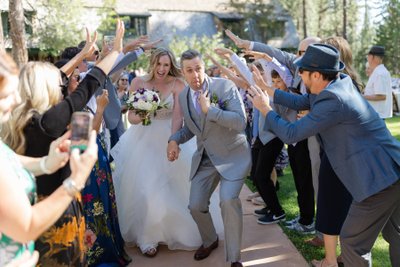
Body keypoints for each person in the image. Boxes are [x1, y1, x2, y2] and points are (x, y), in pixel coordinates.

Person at [248, 43, 400, 267]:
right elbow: (302, 101)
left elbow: (291, 134)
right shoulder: (338, 84)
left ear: (317, 75)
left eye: (303, 71)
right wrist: (268, 90)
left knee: (352, 242)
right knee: (395, 234)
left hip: (377, 180)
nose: (300, 75)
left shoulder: (333, 100)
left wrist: (265, 109)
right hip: (391, 170)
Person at [1, 21, 125, 266]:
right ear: (45, 89)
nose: (64, 90)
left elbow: (55, 77)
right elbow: (87, 86)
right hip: (55, 218)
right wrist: (115, 53)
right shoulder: (47, 122)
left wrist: (83, 53)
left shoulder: (16, 124)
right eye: (59, 86)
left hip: (31, 216)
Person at [111, 47, 223, 257]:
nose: (162, 69)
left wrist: (173, 143)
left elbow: (177, 118)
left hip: (169, 137)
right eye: (159, 64)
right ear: (152, 63)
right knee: (145, 187)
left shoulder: (177, 85)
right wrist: (147, 111)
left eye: (166, 65)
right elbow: (133, 118)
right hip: (143, 140)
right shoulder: (138, 83)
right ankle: (147, 237)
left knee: (176, 187)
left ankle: (179, 231)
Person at [0, 51, 98, 266]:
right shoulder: (47, 122)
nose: (17, 98)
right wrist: (75, 181)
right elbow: (26, 227)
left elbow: (10, 161)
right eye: (7, 94)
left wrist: (46, 162)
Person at [167, 49, 251, 267]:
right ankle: (210, 239)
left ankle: (234, 258)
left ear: (203, 67)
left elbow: (240, 122)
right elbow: (191, 130)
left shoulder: (224, 87)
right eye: (189, 71)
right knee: (195, 205)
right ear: (183, 73)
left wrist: (211, 110)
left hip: (234, 156)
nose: (195, 75)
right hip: (206, 159)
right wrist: (174, 140)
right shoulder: (184, 97)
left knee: (228, 201)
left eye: (198, 69)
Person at [363, 45, 393, 119]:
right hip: (376, 114)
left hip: (377, 115)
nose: (368, 58)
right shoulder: (379, 71)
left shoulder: (380, 73)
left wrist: (362, 97)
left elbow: (381, 96)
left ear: (372, 57)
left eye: (368, 56)